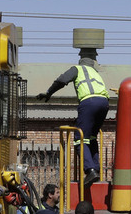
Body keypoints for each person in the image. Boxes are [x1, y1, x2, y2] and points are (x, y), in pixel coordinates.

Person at [36, 54, 109, 186]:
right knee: (91, 138)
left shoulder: (78, 69)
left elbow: (62, 80)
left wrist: (49, 93)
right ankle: (96, 169)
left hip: (89, 102)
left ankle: (90, 170)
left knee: (79, 139)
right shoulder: (96, 73)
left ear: (81, 63)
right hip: (104, 104)